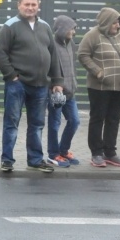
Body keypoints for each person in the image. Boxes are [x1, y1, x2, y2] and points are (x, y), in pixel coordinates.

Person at [0, 0, 63, 174]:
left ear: (38, 6)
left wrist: (57, 81)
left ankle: (35, 160)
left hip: (41, 85)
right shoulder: (10, 26)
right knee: (11, 123)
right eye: (27, 4)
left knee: (37, 124)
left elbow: (54, 56)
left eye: (33, 4)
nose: (30, 8)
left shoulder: (46, 27)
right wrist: (12, 76)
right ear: (19, 5)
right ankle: (7, 160)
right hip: (18, 84)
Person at [77, 7, 120, 168]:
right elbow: (82, 55)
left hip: (119, 85)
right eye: (115, 22)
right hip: (99, 87)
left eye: (118, 22)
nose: (118, 26)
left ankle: (110, 152)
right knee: (97, 118)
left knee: (114, 119)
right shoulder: (92, 35)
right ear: (106, 22)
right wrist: (98, 72)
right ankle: (96, 153)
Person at [46, 15, 81, 167]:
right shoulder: (51, 44)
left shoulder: (70, 44)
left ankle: (63, 150)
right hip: (56, 92)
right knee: (55, 123)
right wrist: (52, 84)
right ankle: (53, 154)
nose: (73, 32)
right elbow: (46, 67)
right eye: (71, 28)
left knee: (74, 121)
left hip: (70, 92)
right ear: (62, 29)